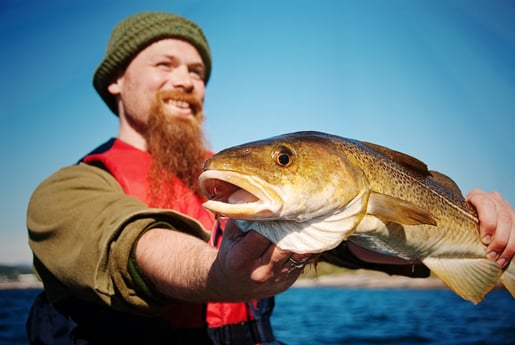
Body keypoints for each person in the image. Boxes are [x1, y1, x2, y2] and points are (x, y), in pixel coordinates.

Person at [25, 11, 514, 345]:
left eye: (197, 71)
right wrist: (218, 274)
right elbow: (134, 245)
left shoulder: (236, 181)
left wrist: (483, 233)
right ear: (115, 80)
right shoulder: (67, 191)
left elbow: (350, 242)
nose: (186, 80)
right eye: (164, 64)